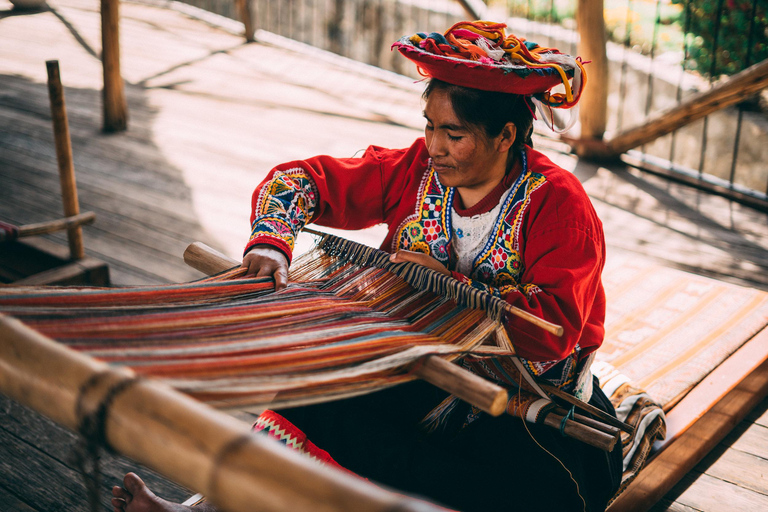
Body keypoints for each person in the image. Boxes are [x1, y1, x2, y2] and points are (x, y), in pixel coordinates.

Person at [113, 21, 622, 512]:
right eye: (429, 126)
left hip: (526, 402)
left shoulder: (558, 206)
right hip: (420, 369)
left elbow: (551, 330)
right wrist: (272, 242)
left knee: (516, 493)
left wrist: (446, 286)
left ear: (506, 135)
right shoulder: (416, 171)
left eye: (454, 133)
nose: (435, 146)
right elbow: (301, 182)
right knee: (312, 397)